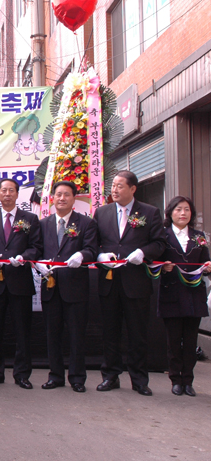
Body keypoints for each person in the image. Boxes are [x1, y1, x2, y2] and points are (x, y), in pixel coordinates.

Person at [94, 170, 166, 396]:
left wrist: (143, 253)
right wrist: (100, 256)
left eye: (120, 186)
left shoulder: (150, 212)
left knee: (137, 333)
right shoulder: (102, 212)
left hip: (136, 282)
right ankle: (110, 376)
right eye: (113, 185)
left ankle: (139, 379)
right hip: (109, 282)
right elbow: (93, 243)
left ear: (133, 189)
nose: (114, 190)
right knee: (110, 332)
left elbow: (160, 243)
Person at [35, 181, 97, 392]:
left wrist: (82, 255)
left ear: (74, 198)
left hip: (76, 288)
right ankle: (55, 376)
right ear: (52, 198)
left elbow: (91, 249)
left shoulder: (86, 223)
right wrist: (38, 263)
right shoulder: (43, 223)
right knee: (53, 334)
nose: (62, 198)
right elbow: (36, 250)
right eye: (58, 194)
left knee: (77, 335)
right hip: (51, 286)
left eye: (66, 195)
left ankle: (77, 378)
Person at [0, 178, 41, 389]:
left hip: (20, 281)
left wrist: (24, 257)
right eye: (3, 190)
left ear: (17, 194)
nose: (7, 194)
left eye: (11, 191)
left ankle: (22, 374)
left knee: (22, 331)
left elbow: (37, 247)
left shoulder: (30, 219)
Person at [157, 196, 211, 397]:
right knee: (173, 341)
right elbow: (154, 262)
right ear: (170, 213)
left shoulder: (199, 236)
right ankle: (175, 379)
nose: (183, 213)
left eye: (187, 210)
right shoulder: (163, 235)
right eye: (178, 209)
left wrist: (207, 268)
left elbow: (205, 261)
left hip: (193, 295)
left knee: (190, 341)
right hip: (171, 293)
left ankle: (188, 380)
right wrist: (163, 267)